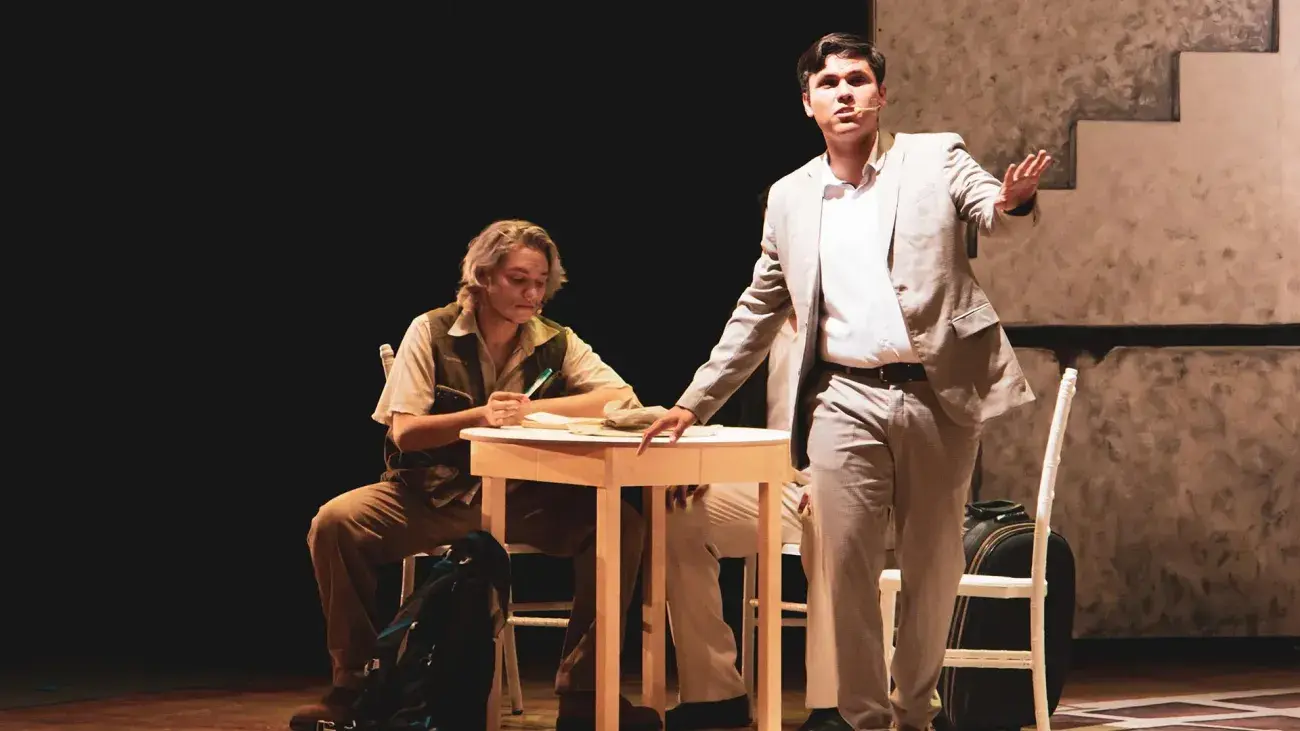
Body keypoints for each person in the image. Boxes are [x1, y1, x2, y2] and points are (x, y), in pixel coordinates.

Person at [639, 32, 1051, 731]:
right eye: (828, 84)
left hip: (936, 391)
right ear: (808, 104)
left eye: (858, 80)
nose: (845, 94)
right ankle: (864, 719)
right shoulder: (789, 197)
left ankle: (914, 713)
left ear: (881, 94)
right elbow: (758, 308)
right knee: (843, 569)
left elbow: (989, 204)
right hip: (842, 396)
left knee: (931, 569)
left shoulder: (933, 156)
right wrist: (693, 402)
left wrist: (1010, 201)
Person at [293, 219, 662, 731]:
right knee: (335, 523)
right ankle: (354, 684)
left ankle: (585, 691)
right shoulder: (431, 331)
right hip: (431, 495)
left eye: (540, 283)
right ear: (484, 277)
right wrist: (479, 416)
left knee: (621, 524)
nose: (532, 294)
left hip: (521, 496)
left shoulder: (555, 340)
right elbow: (406, 432)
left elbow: (621, 397)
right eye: (518, 280)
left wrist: (530, 411)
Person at [661, 191, 842, 731]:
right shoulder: (759, 321)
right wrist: (708, 466)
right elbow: (739, 416)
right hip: (774, 479)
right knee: (679, 516)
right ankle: (715, 693)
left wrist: (829, 477)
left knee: (830, 517)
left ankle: (836, 703)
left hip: (853, 479)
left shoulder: (856, 315)